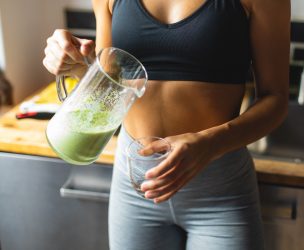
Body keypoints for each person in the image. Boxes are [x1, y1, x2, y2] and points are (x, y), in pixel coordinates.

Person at [43, 0, 290, 249]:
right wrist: (73, 66)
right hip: (134, 186)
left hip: (218, 192)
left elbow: (275, 99)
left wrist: (211, 144)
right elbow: (108, 91)